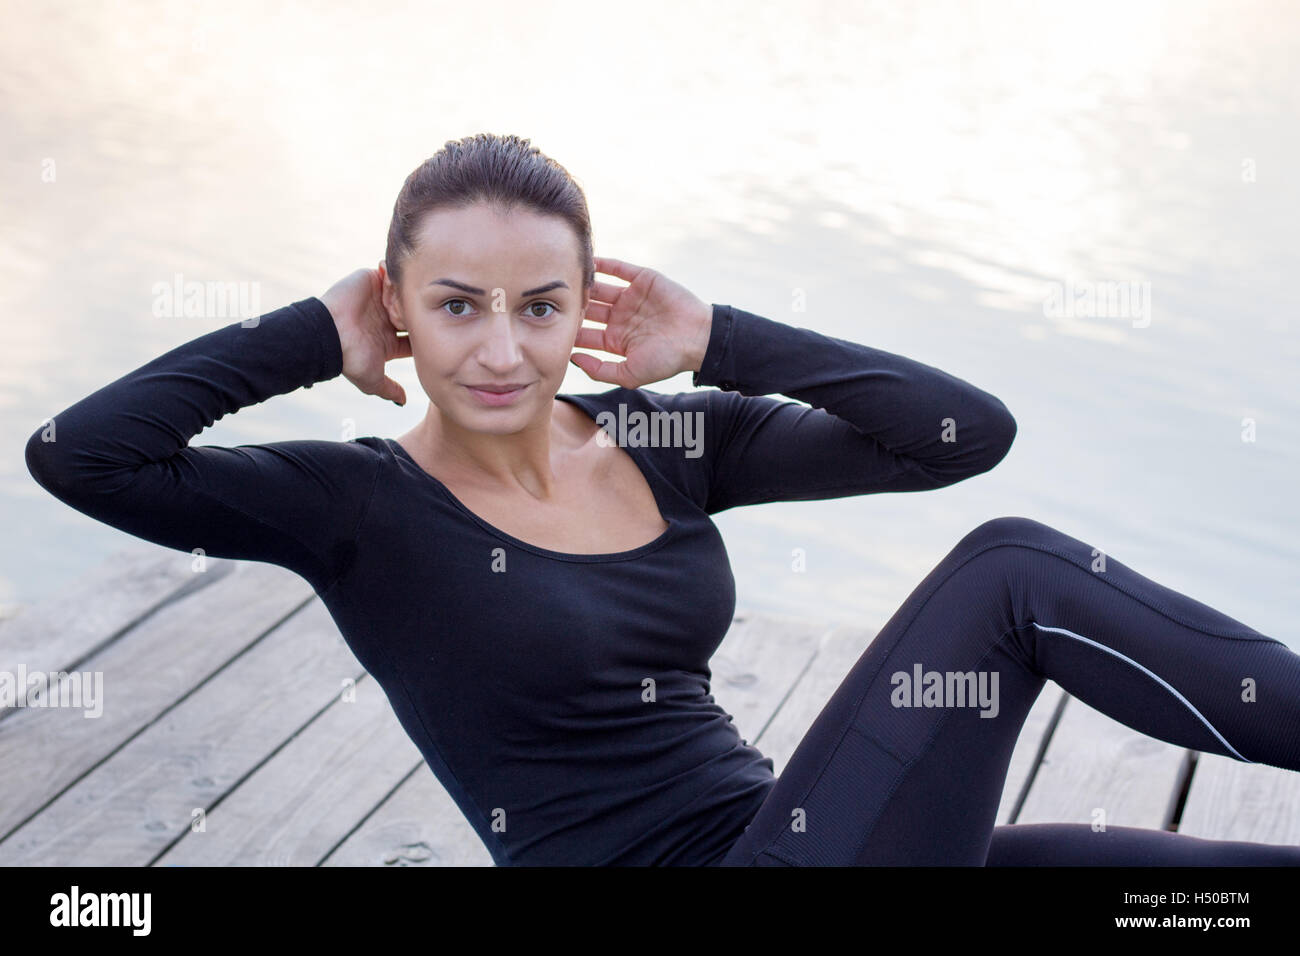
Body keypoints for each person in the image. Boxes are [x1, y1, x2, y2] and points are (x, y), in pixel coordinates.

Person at [25, 133, 1300, 866]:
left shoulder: (661, 437)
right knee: (1011, 575)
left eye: (540, 305)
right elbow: (81, 455)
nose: (500, 350)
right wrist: (308, 332)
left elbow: (959, 434)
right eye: (456, 303)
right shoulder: (350, 503)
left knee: (1186, 884)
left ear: (585, 310)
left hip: (779, 835)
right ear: (397, 306)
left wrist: (727, 338)